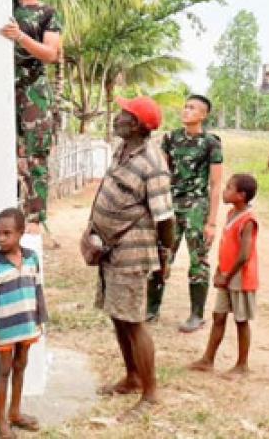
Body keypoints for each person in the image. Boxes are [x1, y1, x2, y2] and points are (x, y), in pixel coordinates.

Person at [90, 96, 175, 417]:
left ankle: (150, 392)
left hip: (132, 250)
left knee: (134, 320)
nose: (117, 117)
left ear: (138, 125)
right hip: (110, 248)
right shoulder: (124, 151)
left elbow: (165, 218)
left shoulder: (152, 163)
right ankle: (132, 377)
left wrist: (164, 255)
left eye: (124, 114)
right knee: (118, 314)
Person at [150, 94, 223, 331]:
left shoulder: (211, 143)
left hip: (196, 206)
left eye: (192, 108)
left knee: (198, 261)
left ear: (203, 115)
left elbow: (215, 184)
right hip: (171, 205)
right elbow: (161, 172)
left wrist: (211, 222)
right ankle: (151, 309)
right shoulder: (170, 138)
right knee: (162, 255)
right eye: (185, 106)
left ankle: (196, 315)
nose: (186, 111)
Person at [0, 0, 62, 237]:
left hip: (32, 89)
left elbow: (51, 54)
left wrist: (20, 37)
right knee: (6, 153)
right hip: (2, 88)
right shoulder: (4, 8)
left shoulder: (47, 13)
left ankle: (35, 220)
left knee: (36, 155)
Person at [0, 208, 49, 439]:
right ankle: (2, 421)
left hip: (27, 323)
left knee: (21, 365)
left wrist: (41, 319)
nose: (1, 238)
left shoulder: (32, 258)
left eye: (7, 233)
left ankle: (16, 413)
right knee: (5, 370)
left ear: (20, 233)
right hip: (5, 328)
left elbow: (38, 290)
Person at [189, 174, 258, 376]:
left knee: (241, 320)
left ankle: (242, 365)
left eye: (229, 188)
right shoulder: (231, 214)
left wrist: (227, 276)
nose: (224, 192)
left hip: (240, 277)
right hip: (227, 274)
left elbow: (245, 254)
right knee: (218, 316)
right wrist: (220, 270)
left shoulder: (249, 220)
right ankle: (207, 359)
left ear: (241, 195)